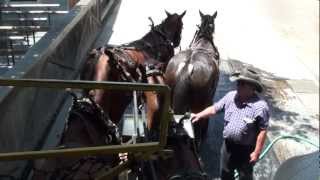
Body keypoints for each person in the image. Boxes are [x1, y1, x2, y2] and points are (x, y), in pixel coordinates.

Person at [191, 67, 270, 180]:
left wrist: (256, 152)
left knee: (245, 176)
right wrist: (199, 115)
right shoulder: (231, 96)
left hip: (246, 151)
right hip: (228, 147)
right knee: (226, 174)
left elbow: (263, 131)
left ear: (252, 88)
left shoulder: (260, 107)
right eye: (238, 82)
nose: (238, 86)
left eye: (242, 84)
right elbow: (215, 108)